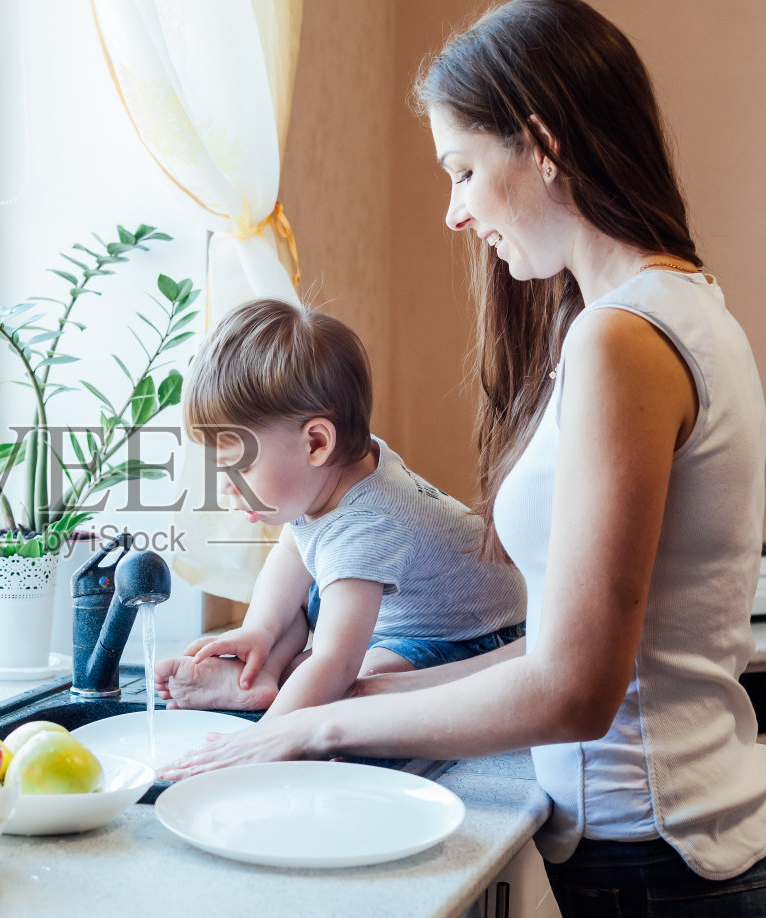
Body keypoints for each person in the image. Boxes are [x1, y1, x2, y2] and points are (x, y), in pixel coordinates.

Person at [159, 0, 766, 918]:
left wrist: (315, 728)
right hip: (687, 878)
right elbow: (561, 648)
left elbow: (573, 691)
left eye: (464, 169)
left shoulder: (620, 341)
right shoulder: (664, 312)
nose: (455, 212)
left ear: (545, 145)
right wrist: (346, 706)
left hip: (676, 882)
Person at [153, 298, 527, 717]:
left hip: (470, 637)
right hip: (389, 611)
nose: (226, 488)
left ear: (316, 443)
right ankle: (261, 673)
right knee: (293, 601)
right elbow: (292, 551)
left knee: (361, 680)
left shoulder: (367, 524)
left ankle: (276, 684)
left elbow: (335, 663)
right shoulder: (326, 475)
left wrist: (265, 741)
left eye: (241, 466)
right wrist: (258, 630)